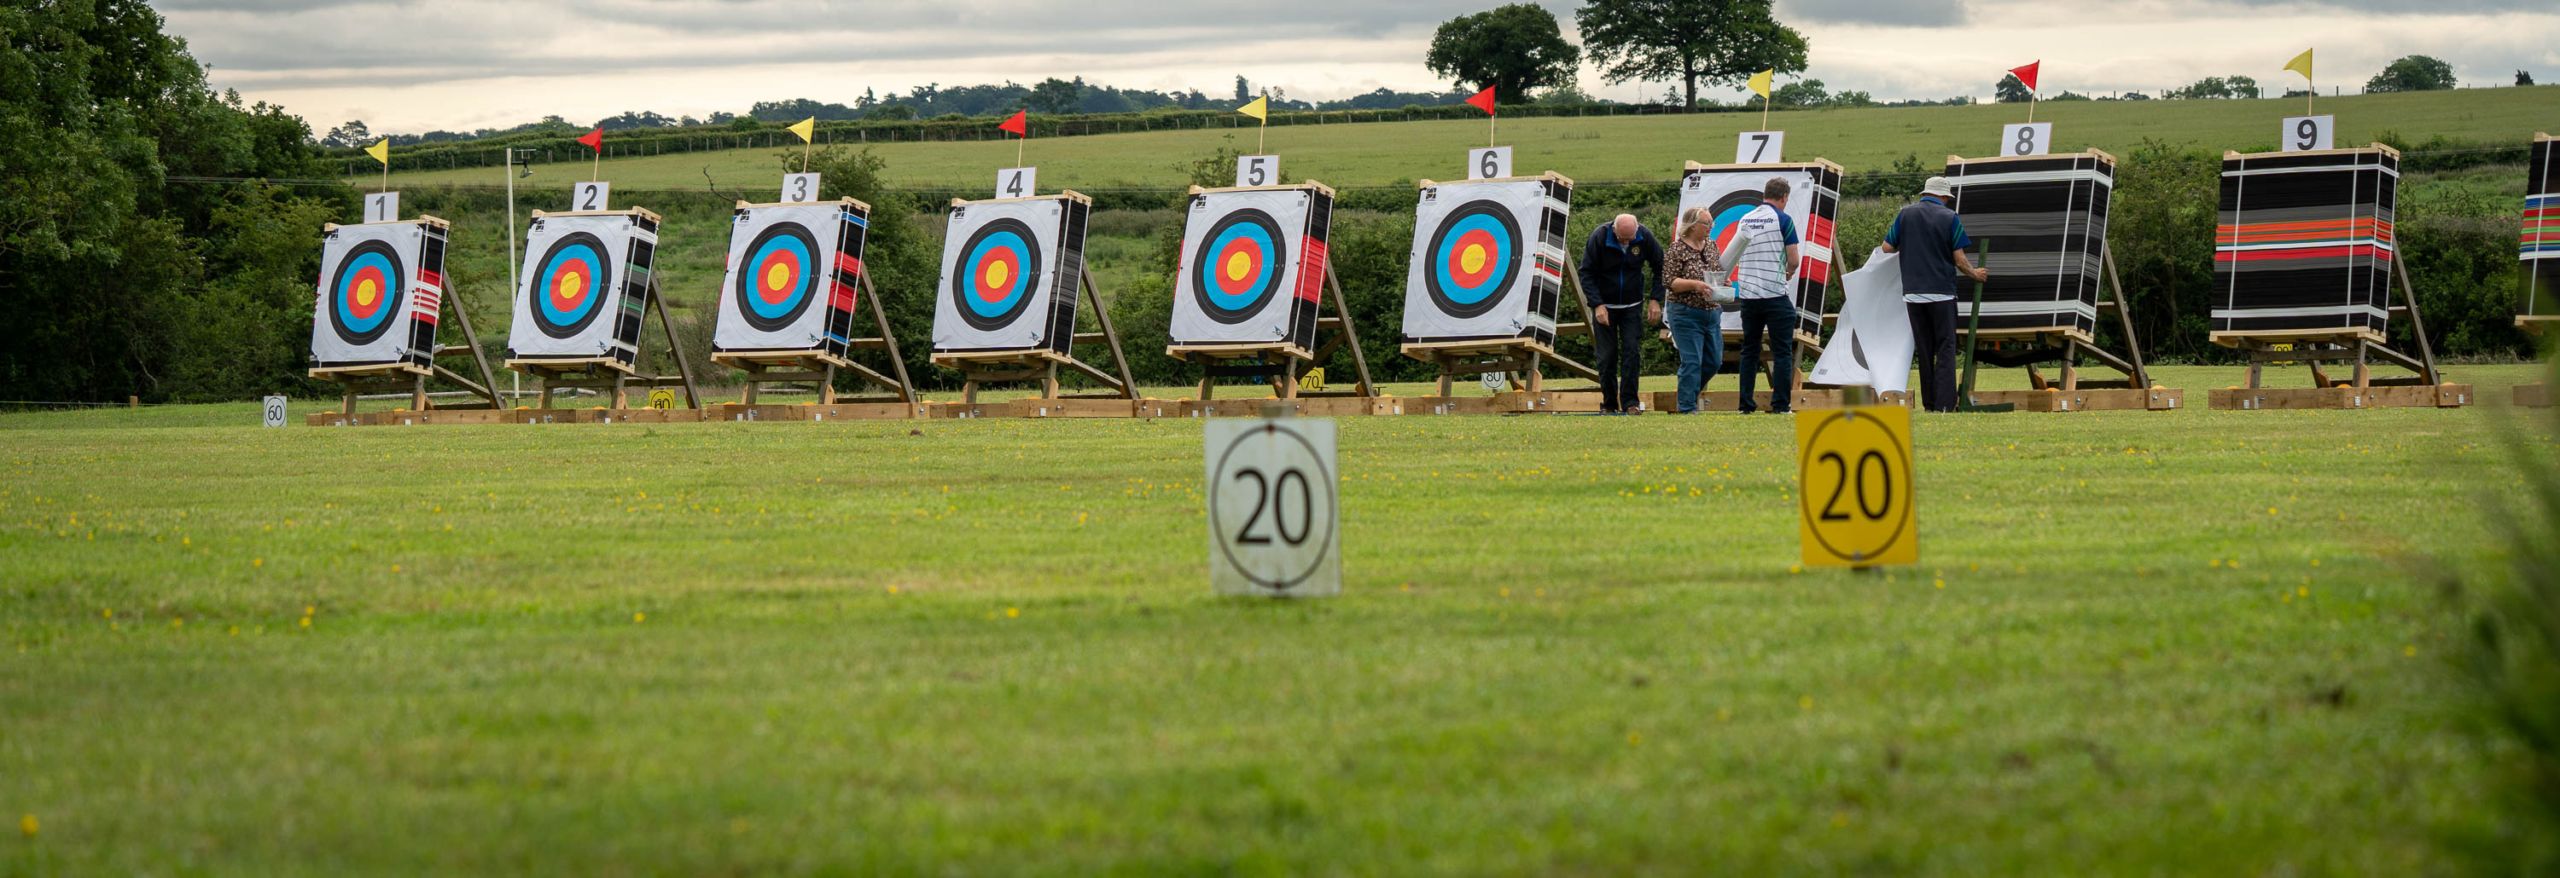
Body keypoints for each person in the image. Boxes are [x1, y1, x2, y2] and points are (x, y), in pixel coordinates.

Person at [1880, 176, 1991, 413]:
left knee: (1924, 349)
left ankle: (1929, 404)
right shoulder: (1949, 218)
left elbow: (1887, 247)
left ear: (1924, 193)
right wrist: (1975, 274)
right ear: (1943, 196)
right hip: (1942, 293)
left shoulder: (1905, 215)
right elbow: (1959, 259)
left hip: (1913, 295)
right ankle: (1944, 404)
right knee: (1946, 349)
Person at [1576, 213, 1665, 414]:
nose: (1626, 242)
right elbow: (1586, 273)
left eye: (1630, 238)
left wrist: (1655, 299)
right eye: (1622, 238)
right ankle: (1609, 404)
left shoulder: (1644, 237)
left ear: (1636, 230)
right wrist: (1597, 304)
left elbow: (1661, 266)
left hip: (1632, 306)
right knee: (1607, 356)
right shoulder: (1599, 237)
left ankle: (1630, 403)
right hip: (1605, 306)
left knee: (1631, 353)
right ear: (1614, 229)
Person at [1728, 178, 1801, 414]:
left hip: (1749, 295)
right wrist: (1789, 272)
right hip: (1774, 294)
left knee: (1749, 351)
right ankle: (1781, 405)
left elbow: (1734, 252)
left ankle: (1745, 405)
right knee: (1782, 352)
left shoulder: (1745, 219)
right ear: (1783, 197)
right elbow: (1794, 259)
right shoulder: (1783, 219)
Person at [1660, 207, 1733, 414]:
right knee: (1692, 362)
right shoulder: (1676, 249)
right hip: (1685, 312)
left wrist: (1723, 282)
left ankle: (1687, 397)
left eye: (1712, 223)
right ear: (1692, 226)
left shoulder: (1711, 245)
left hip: (1711, 312)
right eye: (1706, 223)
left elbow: (1716, 272)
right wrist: (1695, 284)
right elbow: (1669, 281)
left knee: (1714, 361)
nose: (1710, 227)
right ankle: (1686, 407)